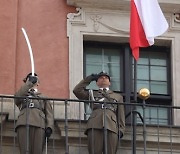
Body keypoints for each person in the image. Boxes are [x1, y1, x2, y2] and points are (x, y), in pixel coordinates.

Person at [73, 71, 125, 154]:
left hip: (111, 126)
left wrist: (121, 129)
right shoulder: (91, 94)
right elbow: (77, 90)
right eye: (101, 77)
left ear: (109, 83)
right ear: (97, 82)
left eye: (106, 78)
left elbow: (120, 114)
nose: (104, 79)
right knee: (94, 150)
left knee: (110, 151)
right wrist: (89, 78)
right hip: (95, 124)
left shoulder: (117, 96)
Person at [14, 73, 53, 154]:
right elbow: (17, 98)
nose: (33, 81)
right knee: (24, 150)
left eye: (35, 79)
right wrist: (29, 83)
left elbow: (49, 113)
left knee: (37, 150)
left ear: (38, 83)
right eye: (30, 79)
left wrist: (49, 127)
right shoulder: (22, 95)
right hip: (23, 122)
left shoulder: (43, 97)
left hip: (39, 124)